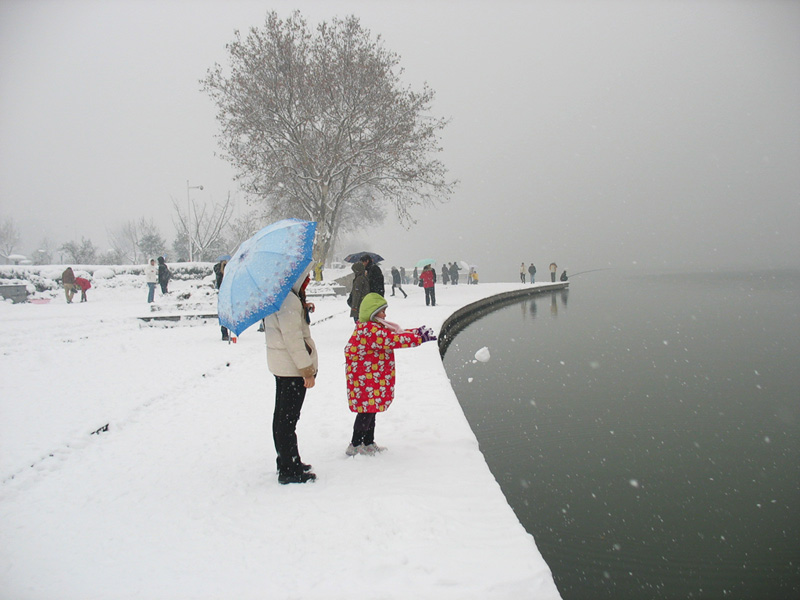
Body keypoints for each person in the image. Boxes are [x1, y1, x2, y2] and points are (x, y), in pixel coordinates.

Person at [344, 293, 436, 456]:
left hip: (370, 377)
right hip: (365, 379)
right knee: (366, 412)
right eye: (382, 311)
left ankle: (368, 442)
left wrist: (416, 332)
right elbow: (393, 340)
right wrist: (418, 338)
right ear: (372, 313)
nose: (385, 315)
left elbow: (396, 334)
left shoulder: (373, 327)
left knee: (371, 410)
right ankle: (356, 444)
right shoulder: (370, 331)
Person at [263, 271, 318, 484]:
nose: (307, 282)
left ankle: (288, 460)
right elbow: (293, 339)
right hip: (292, 369)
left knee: (284, 418)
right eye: (305, 278)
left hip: (284, 367)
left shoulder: (283, 297)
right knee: (287, 421)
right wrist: (307, 370)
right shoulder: (287, 301)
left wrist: (302, 308)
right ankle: (289, 469)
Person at [213, 259, 229, 341]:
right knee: (225, 314)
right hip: (225, 295)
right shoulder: (222, 274)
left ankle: (225, 332)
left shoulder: (218, 273)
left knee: (225, 314)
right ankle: (224, 333)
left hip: (222, 295)